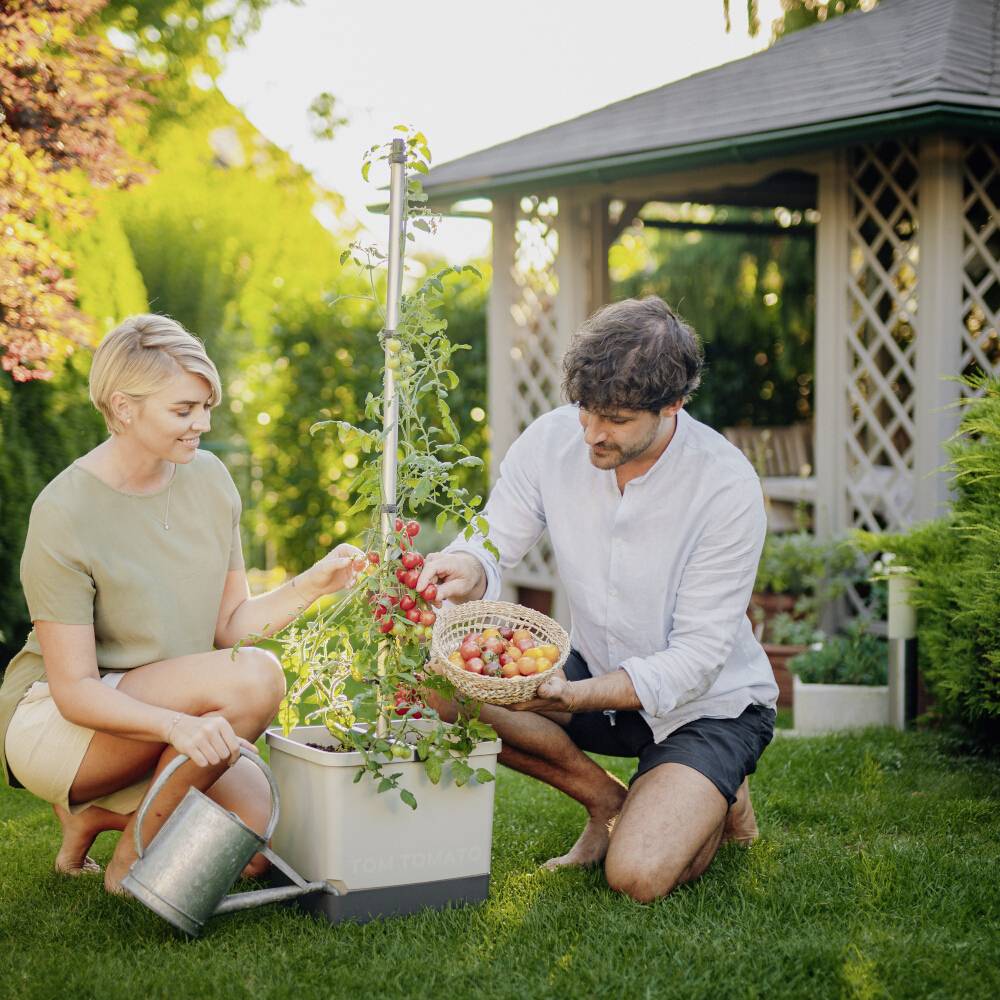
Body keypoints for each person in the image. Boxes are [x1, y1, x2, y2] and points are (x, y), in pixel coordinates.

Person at [416, 296, 778, 903]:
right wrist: (466, 564)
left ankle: (715, 782)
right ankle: (607, 800)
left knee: (637, 877)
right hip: (594, 669)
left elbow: (695, 660)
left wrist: (574, 695)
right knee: (438, 681)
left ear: (673, 405)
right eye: (585, 409)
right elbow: (492, 539)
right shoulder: (553, 439)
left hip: (708, 705)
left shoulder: (726, 486)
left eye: (615, 419)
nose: (590, 433)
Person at [0, 314, 362, 894]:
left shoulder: (211, 480)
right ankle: (133, 857)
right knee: (257, 678)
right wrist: (177, 726)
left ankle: (97, 817)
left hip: (165, 710)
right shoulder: (64, 511)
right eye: (184, 409)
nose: (203, 424)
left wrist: (314, 585)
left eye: (206, 406)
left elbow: (231, 627)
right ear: (124, 408)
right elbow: (75, 690)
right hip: (64, 723)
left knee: (258, 844)